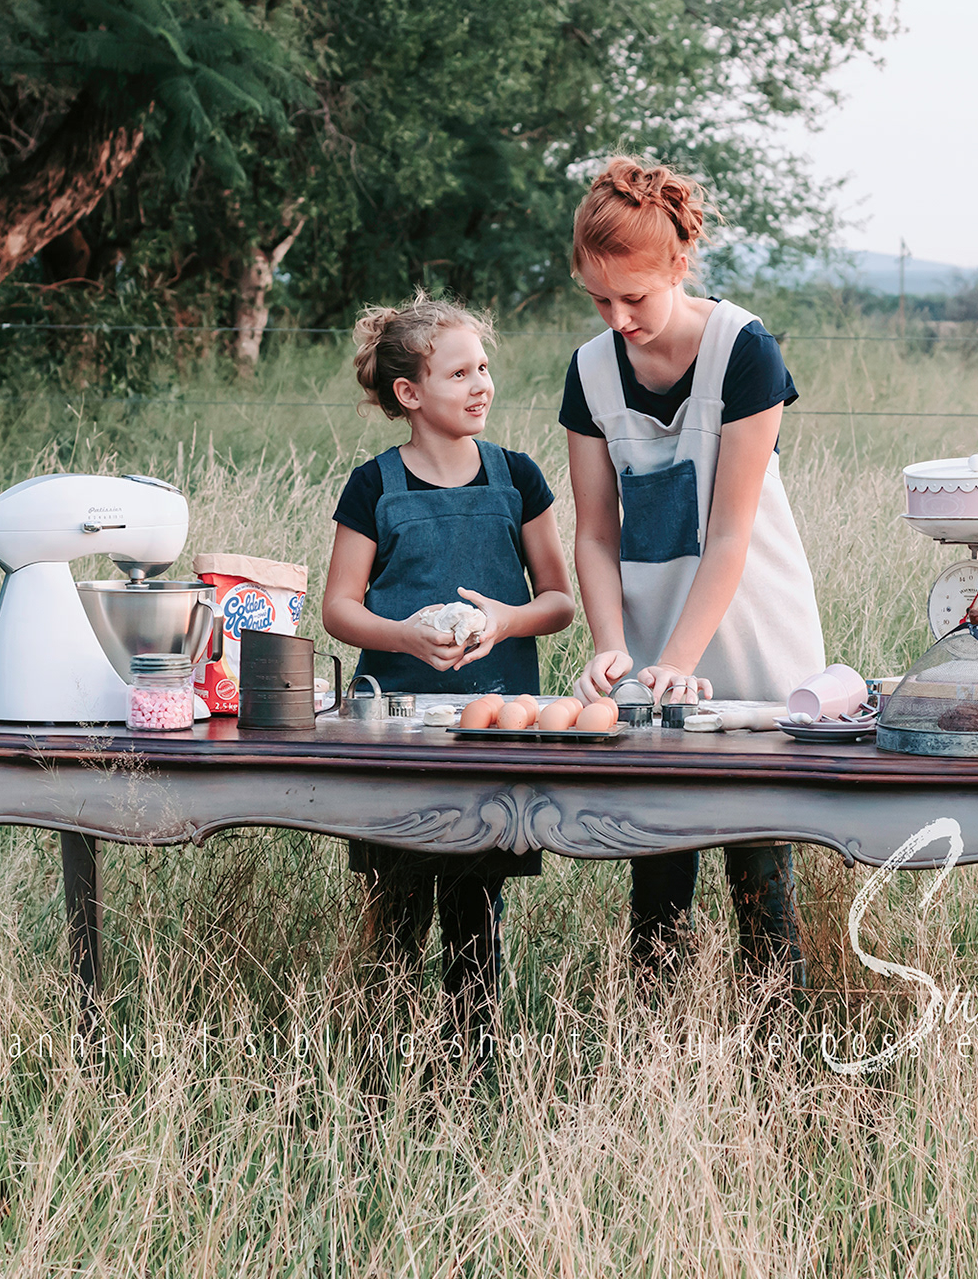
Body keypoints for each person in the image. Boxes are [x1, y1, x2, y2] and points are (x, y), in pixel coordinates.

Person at [561, 158, 827, 984]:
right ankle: (658, 1072)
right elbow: (596, 535)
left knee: (761, 883)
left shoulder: (744, 352)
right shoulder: (590, 370)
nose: (618, 318)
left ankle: (775, 1066)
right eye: (599, 300)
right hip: (649, 651)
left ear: (679, 265)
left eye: (633, 297)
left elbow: (730, 535)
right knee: (657, 876)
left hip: (749, 634)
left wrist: (680, 658)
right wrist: (616, 647)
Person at [322, 289, 575, 1048]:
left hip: (493, 729)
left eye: (484, 368)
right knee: (395, 908)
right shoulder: (374, 486)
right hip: (395, 731)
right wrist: (401, 637)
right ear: (410, 393)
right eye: (460, 373)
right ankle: (381, 1069)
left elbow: (559, 600)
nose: (481, 385)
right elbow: (340, 608)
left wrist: (505, 620)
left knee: (475, 910)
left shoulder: (517, 476)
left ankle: (472, 1068)